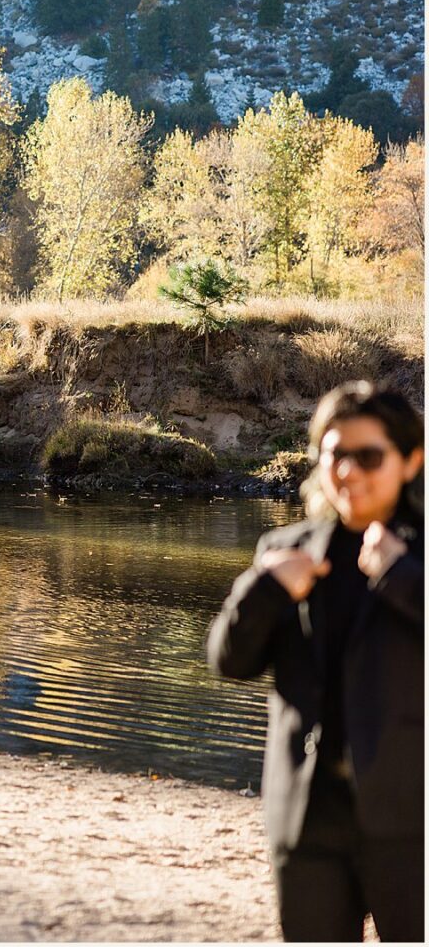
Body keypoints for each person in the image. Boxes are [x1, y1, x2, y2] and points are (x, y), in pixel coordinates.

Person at [208, 381, 423, 942]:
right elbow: (228, 661)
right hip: (307, 823)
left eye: (368, 456)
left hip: (413, 826)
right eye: (336, 455)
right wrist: (264, 588)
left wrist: (403, 578)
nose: (348, 472)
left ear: (410, 461)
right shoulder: (286, 550)